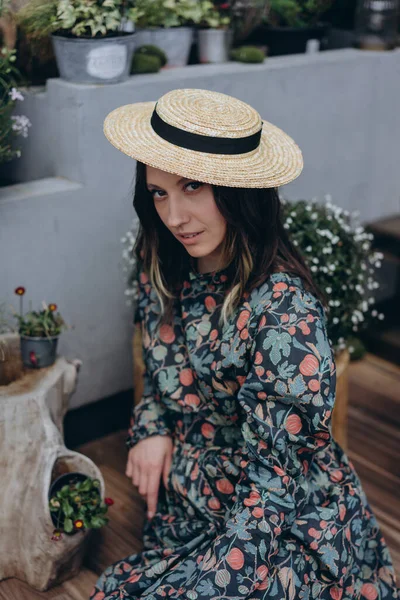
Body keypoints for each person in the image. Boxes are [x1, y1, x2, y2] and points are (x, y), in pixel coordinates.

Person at [91, 89, 398, 600]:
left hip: (276, 517)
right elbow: (160, 368)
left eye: (193, 186)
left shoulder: (283, 309)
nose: (175, 215)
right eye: (159, 192)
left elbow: (277, 477)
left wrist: (216, 582)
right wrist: (151, 428)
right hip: (188, 503)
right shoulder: (162, 261)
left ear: (241, 191)